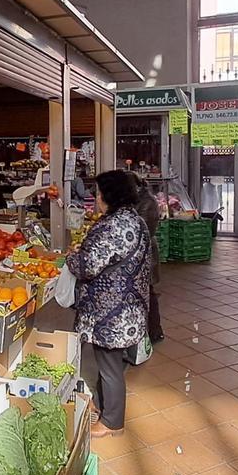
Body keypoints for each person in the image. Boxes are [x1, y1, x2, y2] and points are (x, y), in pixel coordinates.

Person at [66, 170, 151, 439]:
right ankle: (104, 408)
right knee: (109, 363)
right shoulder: (133, 220)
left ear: (110, 195)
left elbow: (89, 265)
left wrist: (71, 258)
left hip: (111, 311)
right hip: (126, 307)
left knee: (110, 367)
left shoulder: (112, 225)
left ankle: (112, 422)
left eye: (99, 192)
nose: (96, 197)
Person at [128, 172, 164, 343]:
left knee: (148, 293)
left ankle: (155, 331)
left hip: (145, 254)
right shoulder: (137, 200)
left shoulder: (147, 202)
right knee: (145, 293)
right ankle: (147, 331)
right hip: (139, 253)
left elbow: (140, 230)